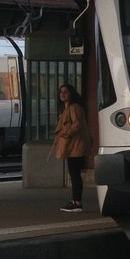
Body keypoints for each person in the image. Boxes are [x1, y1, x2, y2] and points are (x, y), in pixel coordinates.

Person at [54, 83, 89, 212]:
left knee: (75, 174)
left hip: (76, 146)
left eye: (65, 92)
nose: (62, 94)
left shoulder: (74, 107)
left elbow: (77, 124)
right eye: (61, 92)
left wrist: (66, 133)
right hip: (73, 146)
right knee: (74, 174)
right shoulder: (67, 109)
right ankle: (75, 200)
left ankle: (77, 202)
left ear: (71, 94)